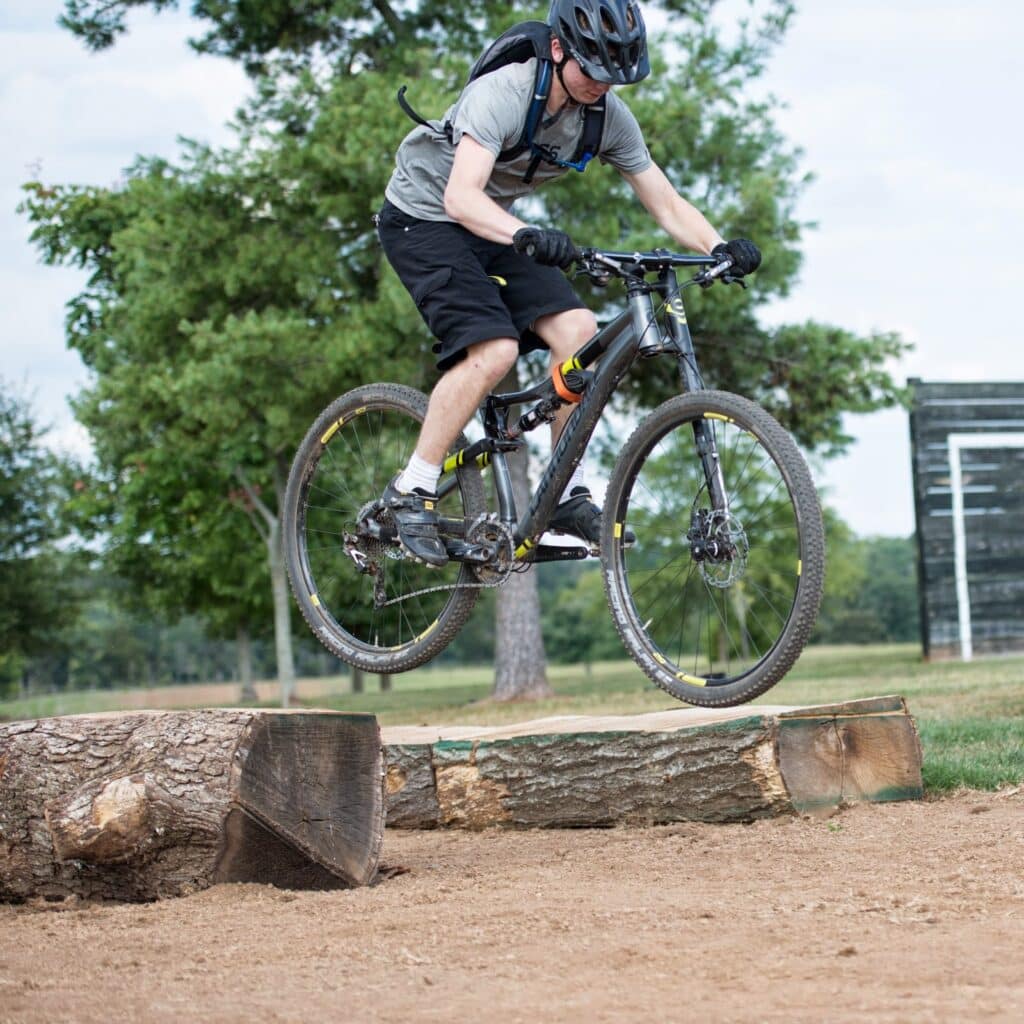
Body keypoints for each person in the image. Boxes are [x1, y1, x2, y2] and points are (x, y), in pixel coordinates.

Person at [375, 0, 761, 567]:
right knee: (496, 349)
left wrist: (718, 247)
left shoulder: (606, 116)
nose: (601, 85)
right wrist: (529, 232)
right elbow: (460, 197)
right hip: (422, 217)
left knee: (581, 331)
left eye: (615, 75)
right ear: (558, 49)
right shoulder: (504, 93)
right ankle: (413, 486)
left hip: (489, 221)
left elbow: (666, 199)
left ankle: (562, 493)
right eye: (592, 68)